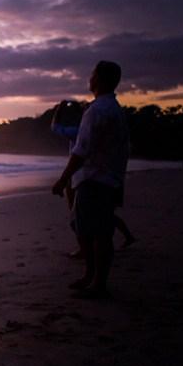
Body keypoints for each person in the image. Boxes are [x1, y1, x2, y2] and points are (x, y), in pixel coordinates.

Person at [52, 61, 130, 299]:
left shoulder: (96, 111)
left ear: (100, 79)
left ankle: (97, 283)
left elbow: (81, 151)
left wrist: (62, 179)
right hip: (109, 177)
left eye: (93, 74)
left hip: (94, 179)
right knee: (96, 230)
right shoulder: (114, 108)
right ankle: (92, 277)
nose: (90, 78)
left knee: (95, 232)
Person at [52, 100, 135, 252]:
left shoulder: (79, 131)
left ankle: (85, 250)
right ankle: (127, 236)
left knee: (78, 215)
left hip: (82, 176)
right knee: (105, 213)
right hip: (105, 175)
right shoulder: (108, 126)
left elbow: (55, 127)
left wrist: (59, 110)